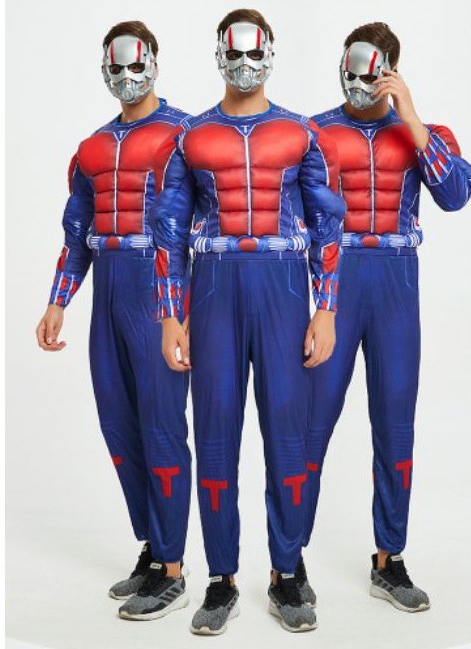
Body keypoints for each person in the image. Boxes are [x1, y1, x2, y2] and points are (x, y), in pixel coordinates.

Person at [151, 8, 345, 635]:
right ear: (218, 55)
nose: (243, 63)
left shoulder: (300, 132)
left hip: (284, 288)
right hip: (213, 290)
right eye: (232, 52)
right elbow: (169, 231)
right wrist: (170, 315)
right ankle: (221, 577)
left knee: (287, 434)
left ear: (270, 54)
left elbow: (328, 225)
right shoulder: (191, 136)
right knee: (215, 434)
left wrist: (326, 307)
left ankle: (286, 572)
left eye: (253, 52)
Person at [304, 22, 471, 612]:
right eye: (348, 67)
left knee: (395, 427)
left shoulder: (423, 134)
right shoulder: (315, 132)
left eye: (370, 71)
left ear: (391, 73)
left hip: (397, 279)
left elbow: (455, 195)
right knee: (310, 424)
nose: (356, 80)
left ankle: (389, 559)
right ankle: (289, 560)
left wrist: (412, 117)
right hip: (336, 282)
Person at [35, 20, 193, 621]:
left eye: (136, 64)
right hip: (107, 288)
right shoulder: (92, 148)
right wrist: (58, 300)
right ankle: (152, 547)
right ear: (105, 70)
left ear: (154, 63)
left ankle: (174, 568)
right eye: (117, 67)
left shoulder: (185, 135)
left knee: (162, 427)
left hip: (159, 293)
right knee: (119, 428)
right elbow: (76, 231)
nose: (127, 76)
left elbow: (203, 224)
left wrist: (185, 309)